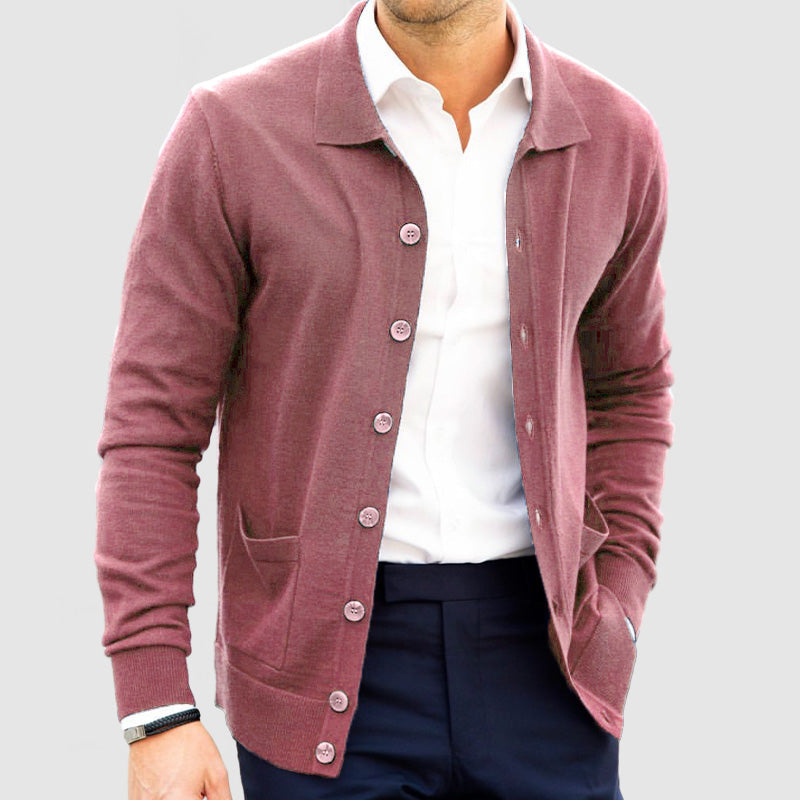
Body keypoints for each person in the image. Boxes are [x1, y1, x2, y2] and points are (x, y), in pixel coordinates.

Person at [94, 0, 675, 797]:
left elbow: (632, 388)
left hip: (550, 660)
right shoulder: (234, 131)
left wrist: (620, 601)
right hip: (313, 671)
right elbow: (152, 427)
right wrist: (156, 705)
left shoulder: (615, 137)